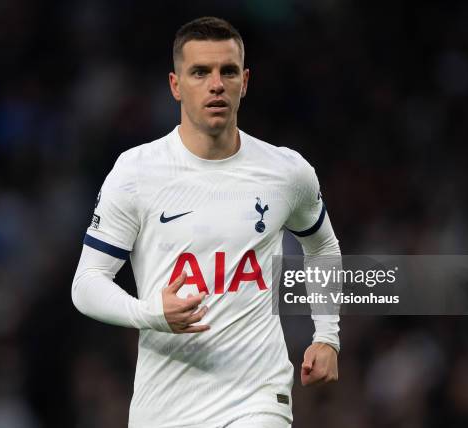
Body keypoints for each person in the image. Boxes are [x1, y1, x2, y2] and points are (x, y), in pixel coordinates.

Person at [72, 16, 340, 428]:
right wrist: (150, 314)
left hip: (258, 398)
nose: (216, 84)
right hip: (164, 406)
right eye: (200, 72)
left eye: (228, 71)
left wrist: (327, 335)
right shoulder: (136, 173)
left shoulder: (286, 172)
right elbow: (87, 283)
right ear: (176, 85)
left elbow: (322, 246)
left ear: (245, 81)